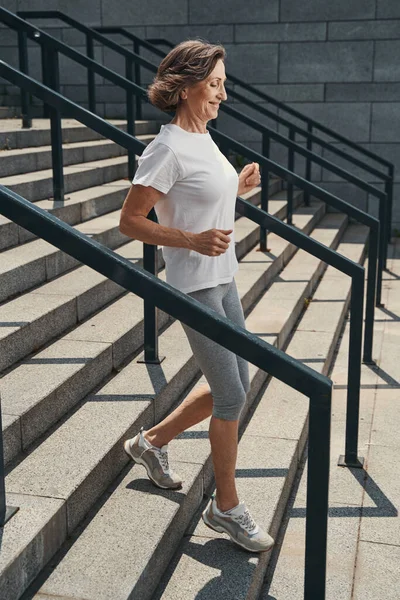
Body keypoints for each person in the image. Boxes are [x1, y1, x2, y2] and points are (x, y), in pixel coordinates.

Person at [119, 39, 274, 554]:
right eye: (214, 85)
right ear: (185, 88)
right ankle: (225, 508)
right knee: (230, 394)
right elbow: (130, 221)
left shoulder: (204, 137)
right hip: (194, 283)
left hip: (223, 275)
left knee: (237, 381)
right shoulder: (165, 148)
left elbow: (201, 203)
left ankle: (151, 442)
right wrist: (190, 240)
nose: (222, 96)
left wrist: (238, 192)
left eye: (223, 85)